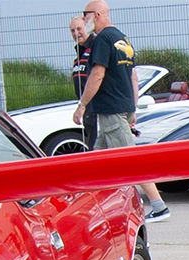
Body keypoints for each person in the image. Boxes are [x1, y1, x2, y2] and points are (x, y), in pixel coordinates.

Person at [72, 1, 170, 221]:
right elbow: (132, 76)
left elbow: (97, 74)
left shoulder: (103, 39)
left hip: (111, 110)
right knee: (98, 161)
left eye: (85, 15)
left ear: (95, 15)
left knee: (129, 161)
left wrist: (82, 104)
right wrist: (131, 106)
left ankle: (159, 206)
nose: (84, 20)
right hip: (120, 107)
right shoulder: (121, 38)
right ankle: (96, 209)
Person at [69, 16, 97, 148]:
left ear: (87, 27)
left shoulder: (96, 47)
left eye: (79, 29)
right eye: (72, 30)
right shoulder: (78, 56)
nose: (76, 33)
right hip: (87, 113)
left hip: (98, 112)